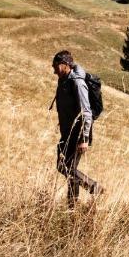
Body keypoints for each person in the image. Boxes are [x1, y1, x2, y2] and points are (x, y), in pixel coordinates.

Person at [52, 50, 100, 206]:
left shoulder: (77, 82)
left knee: (66, 167)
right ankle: (72, 205)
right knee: (66, 167)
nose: (54, 70)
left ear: (65, 65)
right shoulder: (64, 79)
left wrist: (84, 139)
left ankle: (93, 187)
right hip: (67, 132)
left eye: (56, 66)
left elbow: (86, 112)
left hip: (78, 134)